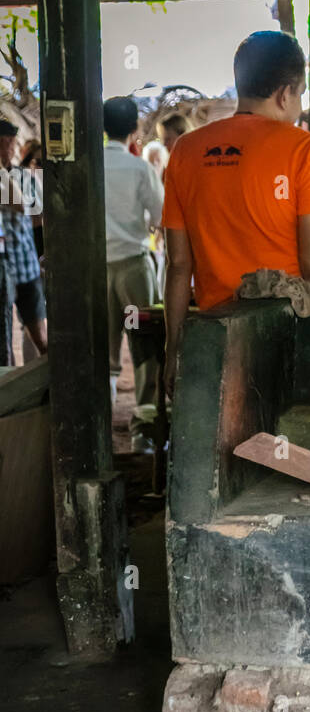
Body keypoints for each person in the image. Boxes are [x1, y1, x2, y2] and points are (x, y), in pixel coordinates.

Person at [162, 30, 310, 396]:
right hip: (287, 337)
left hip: (216, 341)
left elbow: (179, 265)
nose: (299, 105)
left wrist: (174, 349)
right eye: (300, 93)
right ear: (285, 93)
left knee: (224, 447)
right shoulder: (305, 150)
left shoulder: (186, 150)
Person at [103, 95, 164, 453]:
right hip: (133, 269)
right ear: (134, 129)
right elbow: (160, 218)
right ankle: (142, 434)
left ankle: (102, 431)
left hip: (96, 270)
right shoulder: (139, 169)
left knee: (105, 350)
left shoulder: (90, 167)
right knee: (144, 348)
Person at [0, 120, 47, 358]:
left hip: (26, 266)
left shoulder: (24, 177)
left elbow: (34, 212)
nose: (7, 150)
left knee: (39, 334)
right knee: (4, 340)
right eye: (2, 144)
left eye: (10, 144)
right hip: (3, 269)